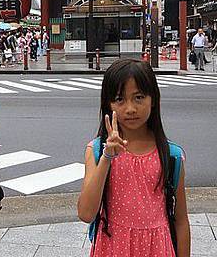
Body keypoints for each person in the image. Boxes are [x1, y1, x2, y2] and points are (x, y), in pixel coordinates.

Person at [77, 59, 190, 257]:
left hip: (157, 248)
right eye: (120, 99)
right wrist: (107, 157)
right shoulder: (96, 150)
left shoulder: (171, 155)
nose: (130, 108)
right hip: (113, 247)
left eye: (138, 97)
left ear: (153, 99)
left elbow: (180, 221)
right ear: (108, 103)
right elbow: (86, 213)